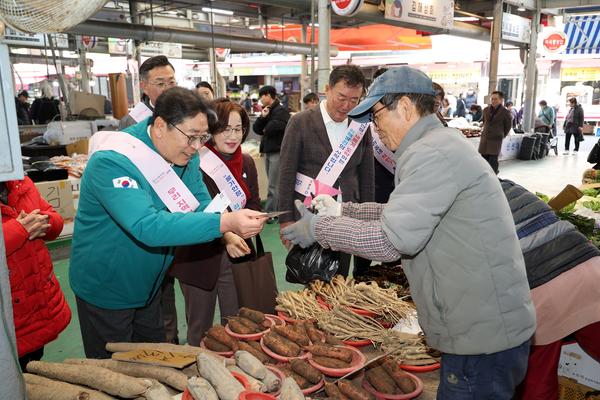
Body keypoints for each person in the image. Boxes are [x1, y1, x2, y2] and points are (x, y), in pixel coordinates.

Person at [282, 67, 536, 399]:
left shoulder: (430, 153)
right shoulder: (438, 144)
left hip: (480, 336)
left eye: (376, 117)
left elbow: (390, 240)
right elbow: (401, 216)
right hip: (484, 327)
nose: (375, 129)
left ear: (403, 107)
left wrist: (319, 228)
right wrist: (341, 209)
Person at [69, 87, 267, 358]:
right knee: (113, 371)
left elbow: (199, 203)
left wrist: (227, 232)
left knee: (153, 363)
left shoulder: (184, 154)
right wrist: (225, 223)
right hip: (109, 289)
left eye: (203, 138)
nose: (197, 147)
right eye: (191, 137)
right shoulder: (113, 162)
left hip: (150, 286)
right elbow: (147, 225)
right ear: (160, 126)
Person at [169, 99, 261, 346]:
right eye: (225, 129)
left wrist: (256, 221)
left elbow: (253, 204)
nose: (233, 136)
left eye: (239, 128)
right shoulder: (191, 161)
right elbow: (187, 210)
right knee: (200, 327)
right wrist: (226, 234)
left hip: (236, 255)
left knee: (236, 321)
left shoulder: (248, 163)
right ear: (211, 130)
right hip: (198, 256)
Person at [498, 180, 600, 400]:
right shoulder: (506, 185)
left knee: (537, 381)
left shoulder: (459, 203)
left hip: (543, 292)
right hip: (591, 271)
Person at [278, 64, 374, 278]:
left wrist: (367, 216)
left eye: (354, 100)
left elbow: (367, 176)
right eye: (341, 97)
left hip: (346, 213)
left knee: (341, 278)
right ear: (327, 89)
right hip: (309, 213)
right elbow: (286, 173)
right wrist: (286, 219)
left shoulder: (360, 126)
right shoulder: (300, 122)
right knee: (311, 275)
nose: (346, 105)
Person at [1, 177, 71, 370]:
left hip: (34, 304)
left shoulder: (19, 182)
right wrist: (19, 229)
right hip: (9, 315)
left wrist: (45, 222)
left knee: (31, 364)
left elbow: (51, 215)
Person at [253, 85, 291, 219]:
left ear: (268, 95)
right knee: (272, 182)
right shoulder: (267, 111)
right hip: (268, 151)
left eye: (261, 96)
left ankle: (270, 213)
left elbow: (272, 128)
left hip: (277, 151)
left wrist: (266, 126)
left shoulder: (281, 111)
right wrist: (262, 118)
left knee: (273, 184)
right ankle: (273, 210)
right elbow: (257, 129)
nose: (260, 99)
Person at [118, 55, 176, 130]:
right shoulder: (132, 122)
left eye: (171, 82)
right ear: (144, 87)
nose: (168, 89)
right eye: (160, 84)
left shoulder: (189, 113)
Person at [479, 91, 512, 174]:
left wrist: (501, 135)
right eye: (492, 99)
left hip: (496, 140)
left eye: (495, 99)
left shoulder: (506, 112)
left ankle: (494, 177)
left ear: (501, 100)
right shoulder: (485, 110)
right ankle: (484, 176)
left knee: (493, 160)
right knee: (483, 160)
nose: (493, 101)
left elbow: (507, 127)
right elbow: (484, 122)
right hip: (485, 139)